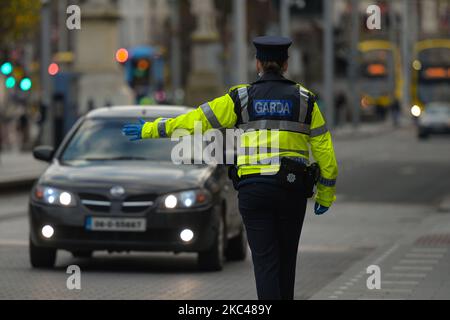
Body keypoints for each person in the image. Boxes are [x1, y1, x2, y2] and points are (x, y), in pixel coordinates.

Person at [122, 36, 338, 300]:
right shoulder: (306, 101)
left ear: (257, 63)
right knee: (286, 259)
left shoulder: (240, 98)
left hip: (254, 191)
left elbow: (196, 121)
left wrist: (150, 129)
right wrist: (325, 194)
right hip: (291, 189)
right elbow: (325, 152)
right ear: (286, 64)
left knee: (265, 262)